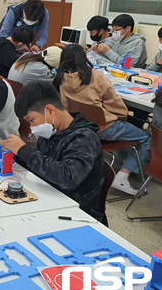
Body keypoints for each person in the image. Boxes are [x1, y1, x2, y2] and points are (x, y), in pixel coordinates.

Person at [0, 82, 106, 223]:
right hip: (48, 197)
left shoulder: (84, 138)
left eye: (31, 121)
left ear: (50, 110)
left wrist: (23, 151)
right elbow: (42, 165)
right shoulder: (52, 131)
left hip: (76, 215)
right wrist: (15, 154)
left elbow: (67, 177)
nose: (32, 128)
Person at [53, 44, 150, 196]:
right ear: (83, 58)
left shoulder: (61, 78)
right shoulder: (95, 76)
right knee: (146, 138)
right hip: (104, 127)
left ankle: (126, 160)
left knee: (126, 131)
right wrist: (122, 116)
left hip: (80, 128)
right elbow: (114, 102)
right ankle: (123, 175)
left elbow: (65, 107)